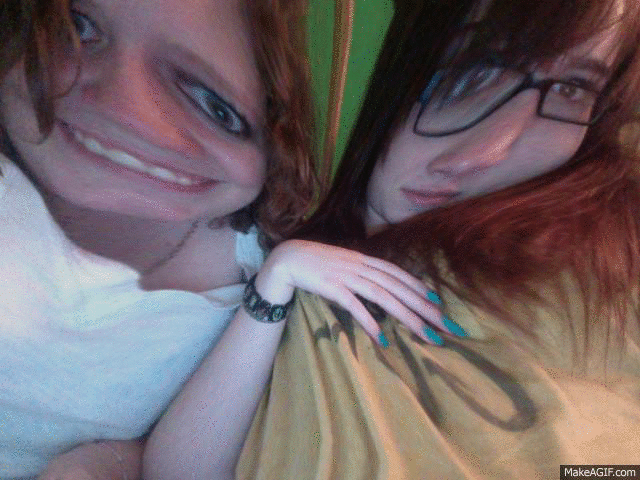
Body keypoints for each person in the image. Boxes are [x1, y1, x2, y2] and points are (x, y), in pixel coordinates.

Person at [144, 0, 640, 478]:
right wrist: (276, 285)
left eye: (572, 88)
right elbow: (183, 469)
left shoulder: (599, 239)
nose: (484, 154)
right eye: (465, 73)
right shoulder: (274, 252)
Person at [1, 0, 447, 477]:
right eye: (75, 28)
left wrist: (108, 461)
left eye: (215, 107)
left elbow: (179, 465)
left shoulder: (254, 267)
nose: (125, 111)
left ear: (280, 143)